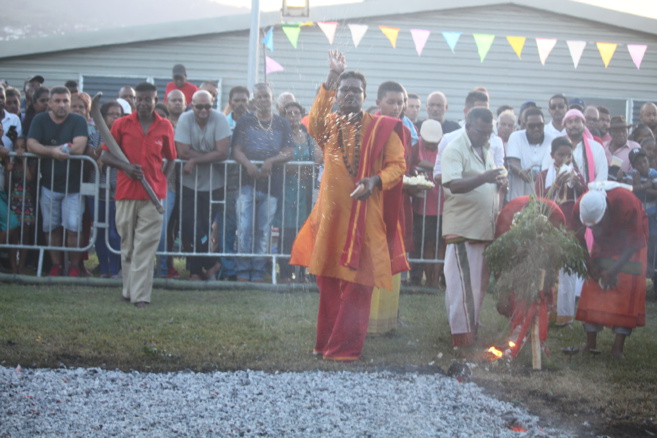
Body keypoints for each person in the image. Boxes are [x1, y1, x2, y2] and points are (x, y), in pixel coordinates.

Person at [290, 50, 408, 361]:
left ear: (365, 96)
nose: (350, 94)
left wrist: (375, 181)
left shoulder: (383, 128)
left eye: (356, 90)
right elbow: (312, 121)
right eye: (345, 89)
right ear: (337, 95)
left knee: (360, 283)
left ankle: (345, 349)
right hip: (331, 216)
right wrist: (332, 76)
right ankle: (325, 343)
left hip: (366, 217)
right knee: (328, 279)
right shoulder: (327, 124)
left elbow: (398, 166)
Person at [101, 82, 177, 308]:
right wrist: (125, 167)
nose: (143, 103)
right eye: (139, 99)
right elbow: (105, 157)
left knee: (145, 247)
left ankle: (141, 296)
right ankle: (128, 290)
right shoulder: (121, 124)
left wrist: (161, 178)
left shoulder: (165, 126)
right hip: (125, 192)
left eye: (148, 99)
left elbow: (171, 157)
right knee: (129, 245)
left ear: (155, 101)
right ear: (135, 101)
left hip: (153, 197)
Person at [440, 107, 508, 347]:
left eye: (489, 133)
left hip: (482, 230)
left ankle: (470, 333)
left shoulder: (485, 147)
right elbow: (452, 185)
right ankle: (461, 341)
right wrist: (484, 179)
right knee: (462, 289)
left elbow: (487, 181)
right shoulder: (455, 148)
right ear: (467, 126)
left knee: (476, 289)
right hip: (463, 230)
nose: (486, 137)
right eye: (481, 132)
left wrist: (498, 186)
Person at [572, 185, 648, 359]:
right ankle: (590, 343)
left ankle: (617, 348)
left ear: (606, 210)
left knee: (627, 285)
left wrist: (613, 271)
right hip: (604, 243)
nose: (596, 228)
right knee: (593, 286)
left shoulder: (626, 202)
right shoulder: (580, 206)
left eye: (598, 223)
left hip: (632, 243)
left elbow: (634, 242)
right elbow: (576, 237)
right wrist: (590, 265)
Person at [232, 83, 294, 282]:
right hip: (246, 183)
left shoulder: (282, 123)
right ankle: (242, 270)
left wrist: (271, 161)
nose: (262, 100)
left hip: (271, 186)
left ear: (272, 98)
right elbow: (236, 150)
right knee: (244, 228)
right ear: (253, 100)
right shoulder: (244, 121)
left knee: (263, 231)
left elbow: (288, 152)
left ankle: (258, 271)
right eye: (259, 97)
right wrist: (248, 164)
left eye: (266, 96)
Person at [27, 86, 89, 277]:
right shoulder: (40, 119)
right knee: (51, 227)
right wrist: (53, 151)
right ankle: (56, 265)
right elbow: (31, 144)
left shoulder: (78, 120)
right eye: (57, 101)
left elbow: (78, 148)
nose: (62, 105)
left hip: (74, 186)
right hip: (48, 184)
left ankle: (74, 266)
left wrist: (47, 148)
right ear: (50, 103)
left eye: (65, 101)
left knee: (73, 228)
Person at [175, 90, 231, 280]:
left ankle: (195, 271)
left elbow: (223, 153)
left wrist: (195, 159)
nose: (204, 110)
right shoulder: (185, 118)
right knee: (190, 226)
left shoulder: (220, 118)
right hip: (189, 182)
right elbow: (182, 152)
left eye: (208, 106)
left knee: (203, 228)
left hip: (214, 183)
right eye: (199, 106)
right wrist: (208, 157)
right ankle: (210, 263)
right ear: (192, 106)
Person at [535, 137, 587, 325]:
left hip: (571, 228)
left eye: (568, 155)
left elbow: (585, 198)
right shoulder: (543, 175)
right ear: (552, 155)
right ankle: (547, 313)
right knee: (549, 272)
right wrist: (557, 182)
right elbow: (540, 200)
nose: (565, 158)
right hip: (551, 227)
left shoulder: (577, 174)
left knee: (568, 273)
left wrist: (578, 183)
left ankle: (565, 315)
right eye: (560, 155)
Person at [279, 101, 320, 283]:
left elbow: (317, 160)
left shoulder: (309, 137)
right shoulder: (281, 136)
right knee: (286, 231)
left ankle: (303, 272)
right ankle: (286, 273)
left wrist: (305, 168)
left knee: (305, 231)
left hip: (305, 191)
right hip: (286, 189)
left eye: (296, 113)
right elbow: (280, 162)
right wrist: (297, 168)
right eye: (289, 113)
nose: (293, 116)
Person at [410, 119, 443, 288]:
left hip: (442, 205)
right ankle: (417, 278)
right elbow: (414, 160)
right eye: (428, 144)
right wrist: (437, 167)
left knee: (438, 244)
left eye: (434, 144)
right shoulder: (417, 143)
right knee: (420, 243)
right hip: (420, 205)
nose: (431, 147)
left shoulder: (444, 145)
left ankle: (434, 280)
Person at [95, 101, 123, 279]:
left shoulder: (124, 134)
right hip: (98, 190)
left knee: (115, 233)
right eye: (111, 114)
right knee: (99, 232)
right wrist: (104, 145)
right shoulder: (95, 134)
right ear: (103, 117)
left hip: (117, 191)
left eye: (118, 114)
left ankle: (115, 268)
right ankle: (103, 268)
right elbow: (92, 153)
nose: (115, 117)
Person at [541, 109, 608, 184]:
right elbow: (545, 172)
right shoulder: (554, 147)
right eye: (570, 122)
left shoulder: (596, 148)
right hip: (559, 192)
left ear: (583, 124)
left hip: (590, 193)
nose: (574, 125)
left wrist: (588, 191)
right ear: (565, 126)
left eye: (577, 121)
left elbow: (601, 176)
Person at [622, 148, 657, 278]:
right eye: (639, 163)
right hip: (637, 215)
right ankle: (640, 272)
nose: (643, 165)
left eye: (645, 161)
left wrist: (640, 187)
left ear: (649, 161)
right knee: (638, 242)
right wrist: (645, 185)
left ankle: (651, 273)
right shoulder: (632, 174)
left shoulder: (653, 173)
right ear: (634, 166)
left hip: (652, 215)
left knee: (652, 241)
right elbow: (629, 190)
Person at [506, 108, 551, 200]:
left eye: (540, 125)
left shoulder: (552, 140)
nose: (536, 129)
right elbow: (512, 162)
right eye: (531, 126)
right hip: (517, 198)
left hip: (543, 200)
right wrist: (520, 171)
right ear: (524, 124)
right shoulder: (516, 137)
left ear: (544, 123)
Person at [5, 138, 37, 274]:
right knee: (14, 236)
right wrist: (8, 171)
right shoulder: (11, 162)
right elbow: (7, 186)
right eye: (16, 147)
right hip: (14, 202)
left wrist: (24, 161)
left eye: (22, 147)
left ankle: (22, 266)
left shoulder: (31, 162)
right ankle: (13, 267)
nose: (19, 150)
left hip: (27, 202)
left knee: (25, 236)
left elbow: (30, 178)